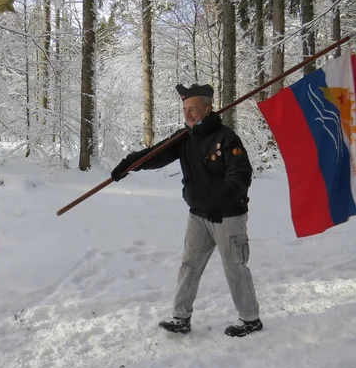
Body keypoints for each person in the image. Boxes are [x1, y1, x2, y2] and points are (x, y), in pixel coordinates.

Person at [111, 83, 262, 337]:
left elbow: (240, 174)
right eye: (185, 109)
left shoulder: (226, 138)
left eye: (193, 108)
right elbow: (155, 155)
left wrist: (221, 200)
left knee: (235, 266)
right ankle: (181, 317)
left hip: (228, 216)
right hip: (198, 215)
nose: (188, 114)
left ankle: (250, 319)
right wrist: (129, 164)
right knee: (189, 265)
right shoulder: (185, 138)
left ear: (207, 107)